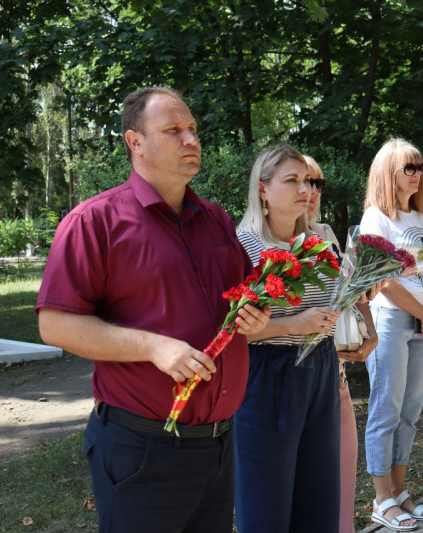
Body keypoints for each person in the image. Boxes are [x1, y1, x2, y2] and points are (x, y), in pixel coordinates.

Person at [35, 86, 271, 533]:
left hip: (220, 443)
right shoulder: (94, 222)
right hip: (143, 449)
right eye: (173, 130)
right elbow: (55, 324)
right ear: (135, 142)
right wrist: (153, 346)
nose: (191, 140)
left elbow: (242, 305)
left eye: (193, 129)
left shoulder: (217, 219)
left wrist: (252, 317)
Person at [233, 144, 342, 533]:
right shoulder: (243, 246)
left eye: (308, 181)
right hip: (269, 375)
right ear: (262, 189)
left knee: (319, 492)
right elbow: (232, 333)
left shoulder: (316, 242)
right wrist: (295, 324)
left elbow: (335, 302)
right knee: (267, 498)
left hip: (321, 366)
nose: (305, 189)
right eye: (291, 180)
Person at [361, 138, 423, 531]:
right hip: (393, 321)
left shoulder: (416, 217)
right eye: (408, 168)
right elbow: (382, 281)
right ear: (387, 172)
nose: (417, 174)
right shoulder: (375, 218)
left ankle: (399, 490)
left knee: (411, 413)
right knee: (385, 411)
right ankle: (381, 500)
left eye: (420, 167)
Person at [304, 155, 378, 533]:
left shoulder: (328, 233)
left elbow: (353, 292)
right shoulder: (260, 240)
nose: (311, 191)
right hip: (292, 380)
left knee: (343, 479)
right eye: (302, 181)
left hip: (336, 375)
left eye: (317, 183)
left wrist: (370, 331)